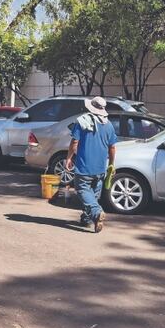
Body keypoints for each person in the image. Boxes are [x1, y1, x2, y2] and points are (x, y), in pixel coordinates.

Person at [64, 96, 117, 233]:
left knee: (83, 191)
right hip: (100, 168)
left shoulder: (81, 122)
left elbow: (74, 142)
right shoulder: (109, 125)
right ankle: (87, 219)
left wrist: (69, 158)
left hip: (84, 166)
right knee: (92, 195)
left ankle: (96, 212)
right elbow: (112, 147)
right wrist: (111, 164)